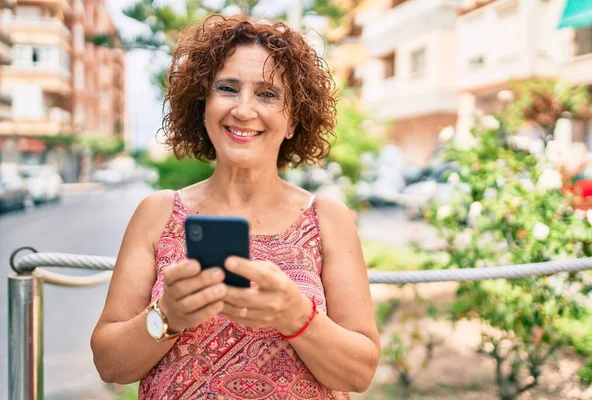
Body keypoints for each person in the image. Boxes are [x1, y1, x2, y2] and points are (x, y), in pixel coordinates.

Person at [91, 14, 380, 400]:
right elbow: (110, 365)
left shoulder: (328, 218)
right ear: (203, 105)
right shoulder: (156, 213)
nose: (243, 110)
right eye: (227, 88)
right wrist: (167, 315)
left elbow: (359, 374)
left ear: (293, 120)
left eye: (267, 94)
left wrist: (296, 317)